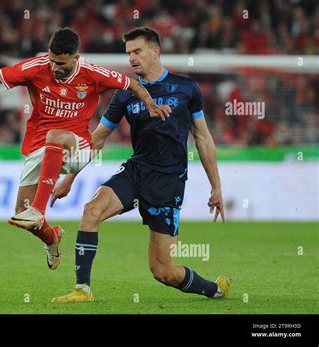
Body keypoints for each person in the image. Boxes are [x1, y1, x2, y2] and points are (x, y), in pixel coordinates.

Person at [0, 28, 170, 271]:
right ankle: (52, 239)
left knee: (55, 137)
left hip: (78, 145)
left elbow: (131, 84)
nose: (54, 67)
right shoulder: (36, 67)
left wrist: (151, 105)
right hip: (41, 149)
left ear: (75, 57)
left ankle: (39, 209)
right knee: (20, 213)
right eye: (51, 60)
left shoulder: (92, 74)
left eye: (60, 63)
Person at [51, 27, 230, 302]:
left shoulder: (186, 88)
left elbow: (203, 138)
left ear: (155, 51)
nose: (131, 58)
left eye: (137, 51)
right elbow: (97, 139)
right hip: (136, 171)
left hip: (168, 182)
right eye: (128, 53)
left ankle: (214, 289)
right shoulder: (125, 93)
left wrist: (216, 187)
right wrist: (70, 178)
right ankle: (82, 290)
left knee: (163, 272)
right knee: (91, 211)